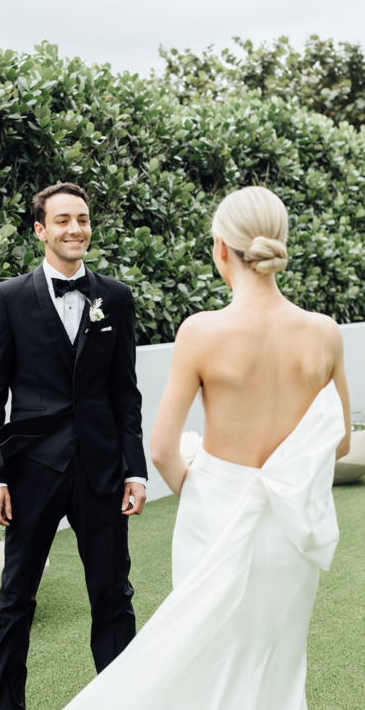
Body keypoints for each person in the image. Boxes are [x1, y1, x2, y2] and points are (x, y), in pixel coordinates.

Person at [62, 186, 351, 710]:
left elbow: (163, 449)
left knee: (201, 653)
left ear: (221, 248)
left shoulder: (201, 331)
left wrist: (207, 489)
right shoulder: (325, 333)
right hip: (291, 529)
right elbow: (340, 441)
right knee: (277, 657)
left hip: (211, 517)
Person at [0, 182, 148, 710]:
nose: (76, 229)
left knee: (113, 597)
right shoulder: (7, 299)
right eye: (63, 220)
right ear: (40, 230)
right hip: (31, 470)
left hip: (101, 469)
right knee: (16, 597)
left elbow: (125, 392)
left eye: (83, 219)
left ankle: (122, 701)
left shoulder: (115, 298)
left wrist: (135, 470)